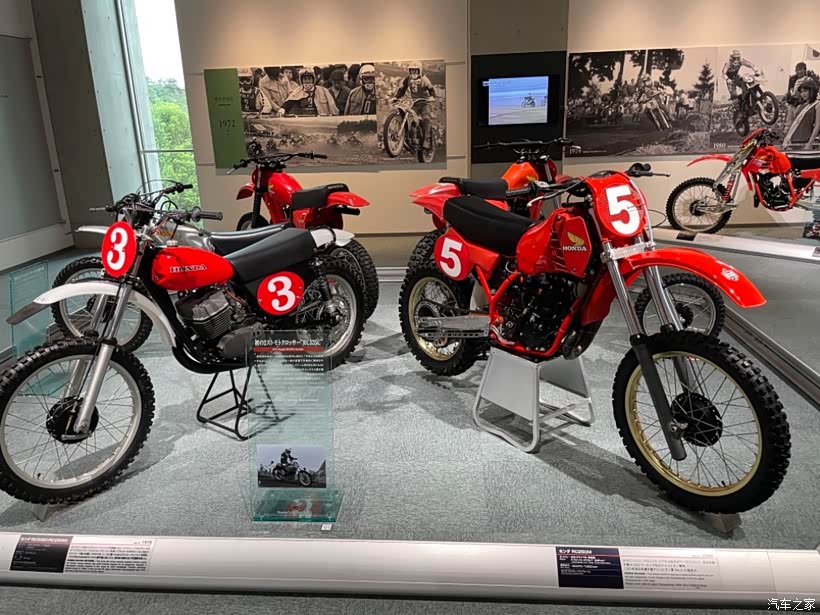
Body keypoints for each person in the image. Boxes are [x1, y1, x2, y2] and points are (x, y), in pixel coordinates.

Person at [392, 61, 436, 148]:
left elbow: (431, 89)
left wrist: (432, 96)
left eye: (415, 70)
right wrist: (396, 97)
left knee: (426, 119)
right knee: (410, 119)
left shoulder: (424, 79)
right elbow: (402, 89)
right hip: (414, 103)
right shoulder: (408, 79)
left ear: (419, 71)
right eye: (412, 70)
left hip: (424, 103)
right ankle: (413, 139)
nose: (413, 72)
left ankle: (426, 139)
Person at [783, 79, 820, 150]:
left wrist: (810, 143)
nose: (803, 94)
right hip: (793, 140)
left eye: (805, 91)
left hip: (806, 140)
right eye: (801, 92)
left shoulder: (817, 105)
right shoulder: (799, 106)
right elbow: (794, 123)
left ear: (811, 91)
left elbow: (817, 125)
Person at [786, 62, 815, 133]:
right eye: (797, 70)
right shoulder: (793, 80)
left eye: (801, 69)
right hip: (793, 104)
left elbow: (812, 92)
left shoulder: (808, 79)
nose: (799, 72)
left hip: (803, 104)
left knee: (801, 124)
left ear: (805, 70)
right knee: (789, 125)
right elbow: (789, 91)